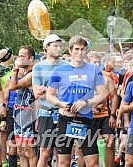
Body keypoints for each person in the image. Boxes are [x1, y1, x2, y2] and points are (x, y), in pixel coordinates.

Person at [46, 36, 107, 167]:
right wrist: (61, 104)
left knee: (93, 163)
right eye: (77, 49)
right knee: (64, 162)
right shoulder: (59, 70)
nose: (80, 52)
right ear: (70, 50)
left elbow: (103, 95)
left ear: (86, 51)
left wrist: (86, 102)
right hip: (65, 119)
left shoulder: (94, 69)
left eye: (83, 49)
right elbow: (49, 95)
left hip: (85, 119)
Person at [32, 34, 66, 167]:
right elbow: (37, 93)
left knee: (62, 154)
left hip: (63, 112)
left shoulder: (66, 66)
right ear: (47, 47)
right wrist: (52, 93)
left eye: (60, 46)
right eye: (55, 46)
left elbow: (68, 92)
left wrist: (48, 91)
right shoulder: (38, 67)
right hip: (46, 113)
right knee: (45, 152)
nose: (58, 49)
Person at [87, 51, 118, 167]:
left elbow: (114, 96)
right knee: (85, 147)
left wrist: (113, 114)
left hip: (104, 114)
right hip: (87, 115)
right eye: (94, 62)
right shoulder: (82, 76)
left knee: (110, 142)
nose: (96, 64)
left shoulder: (106, 76)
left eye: (98, 62)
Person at [9, 46, 38, 167]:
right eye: (19, 55)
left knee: (29, 151)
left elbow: (13, 86)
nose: (19, 58)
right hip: (19, 116)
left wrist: (15, 69)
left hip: (28, 117)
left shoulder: (32, 74)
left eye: (22, 56)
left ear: (31, 58)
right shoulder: (25, 74)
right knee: (20, 151)